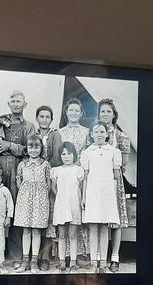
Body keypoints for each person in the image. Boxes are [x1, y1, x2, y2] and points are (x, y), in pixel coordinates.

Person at [0, 91, 37, 265]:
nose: (16, 104)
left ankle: (16, 255)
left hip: (18, 167)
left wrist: (10, 145)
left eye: (19, 101)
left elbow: (30, 149)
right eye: (13, 101)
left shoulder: (29, 126)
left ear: (25, 104)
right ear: (8, 104)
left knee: (17, 209)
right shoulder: (0, 121)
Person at [81, 123, 121, 273]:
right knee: (93, 228)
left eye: (102, 132)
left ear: (106, 134)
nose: (99, 134)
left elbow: (116, 178)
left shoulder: (113, 152)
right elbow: (85, 177)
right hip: (92, 193)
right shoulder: (87, 152)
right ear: (91, 134)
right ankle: (93, 263)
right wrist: (84, 196)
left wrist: (114, 197)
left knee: (104, 228)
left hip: (107, 194)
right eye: (96, 131)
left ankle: (103, 263)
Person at [97, 98, 132, 273]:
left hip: (114, 183)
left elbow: (123, 164)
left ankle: (115, 258)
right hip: (97, 183)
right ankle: (99, 257)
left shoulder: (122, 136)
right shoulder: (94, 133)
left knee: (115, 221)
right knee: (99, 220)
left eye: (108, 111)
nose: (105, 114)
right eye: (102, 111)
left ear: (114, 114)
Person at [57, 98, 91, 265]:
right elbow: (59, 153)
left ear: (81, 113)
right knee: (64, 217)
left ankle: (81, 254)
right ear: (66, 112)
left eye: (77, 110)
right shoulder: (60, 131)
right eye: (71, 110)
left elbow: (87, 153)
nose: (74, 113)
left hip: (79, 173)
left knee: (77, 213)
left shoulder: (86, 131)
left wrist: (79, 169)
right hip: (64, 173)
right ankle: (64, 256)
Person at [13, 134, 51, 273]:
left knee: (36, 230)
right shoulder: (22, 164)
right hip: (25, 199)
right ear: (27, 148)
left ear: (41, 148)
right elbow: (18, 180)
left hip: (40, 200)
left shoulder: (45, 164)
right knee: (26, 229)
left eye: (37, 147)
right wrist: (26, 192)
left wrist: (41, 195)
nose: (33, 150)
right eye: (31, 147)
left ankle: (34, 260)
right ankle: (25, 260)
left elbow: (48, 183)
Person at [35, 105, 64, 270]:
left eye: (47, 117)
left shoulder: (55, 134)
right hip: (34, 181)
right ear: (37, 118)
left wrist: (45, 169)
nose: (44, 119)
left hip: (50, 177)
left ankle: (45, 257)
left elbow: (57, 157)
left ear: (51, 119)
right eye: (41, 116)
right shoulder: (34, 134)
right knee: (36, 217)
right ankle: (33, 256)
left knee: (48, 219)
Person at [50, 142, 85, 272]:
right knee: (62, 235)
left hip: (74, 205)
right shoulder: (57, 170)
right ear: (60, 156)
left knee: (73, 235)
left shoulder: (78, 170)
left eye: (69, 154)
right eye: (63, 154)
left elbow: (80, 189)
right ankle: (62, 262)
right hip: (61, 206)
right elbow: (53, 187)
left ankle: (73, 263)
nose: (66, 156)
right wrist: (60, 197)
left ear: (74, 155)